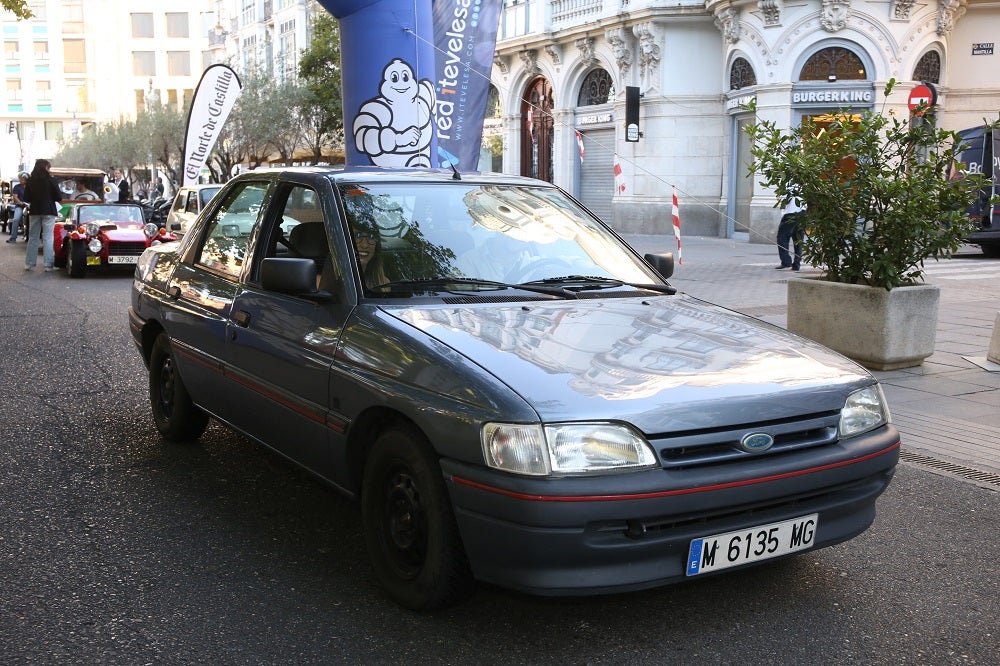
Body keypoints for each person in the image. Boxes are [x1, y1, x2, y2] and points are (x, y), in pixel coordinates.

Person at [23, 159, 64, 272]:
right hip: (49, 211)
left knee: (33, 237)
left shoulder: (30, 181)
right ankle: (48, 265)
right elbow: (59, 197)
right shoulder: (51, 180)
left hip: (35, 210)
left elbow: (26, 198)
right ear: (46, 167)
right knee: (48, 237)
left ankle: (29, 263)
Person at [775, 197, 806, 271]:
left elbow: (784, 200)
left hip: (790, 214)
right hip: (802, 213)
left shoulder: (787, 186)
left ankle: (786, 261)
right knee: (798, 240)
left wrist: (779, 198)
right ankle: (796, 264)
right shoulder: (804, 186)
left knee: (782, 238)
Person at [6, 171, 28, 243]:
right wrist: (20, 203)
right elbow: (15, 197)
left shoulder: (31, 187)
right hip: (20, 206)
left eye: (22, 178)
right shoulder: (17, 187)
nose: (20, 180)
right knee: (16, 219)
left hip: (30, 206)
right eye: (20, 178)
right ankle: (13, 238)